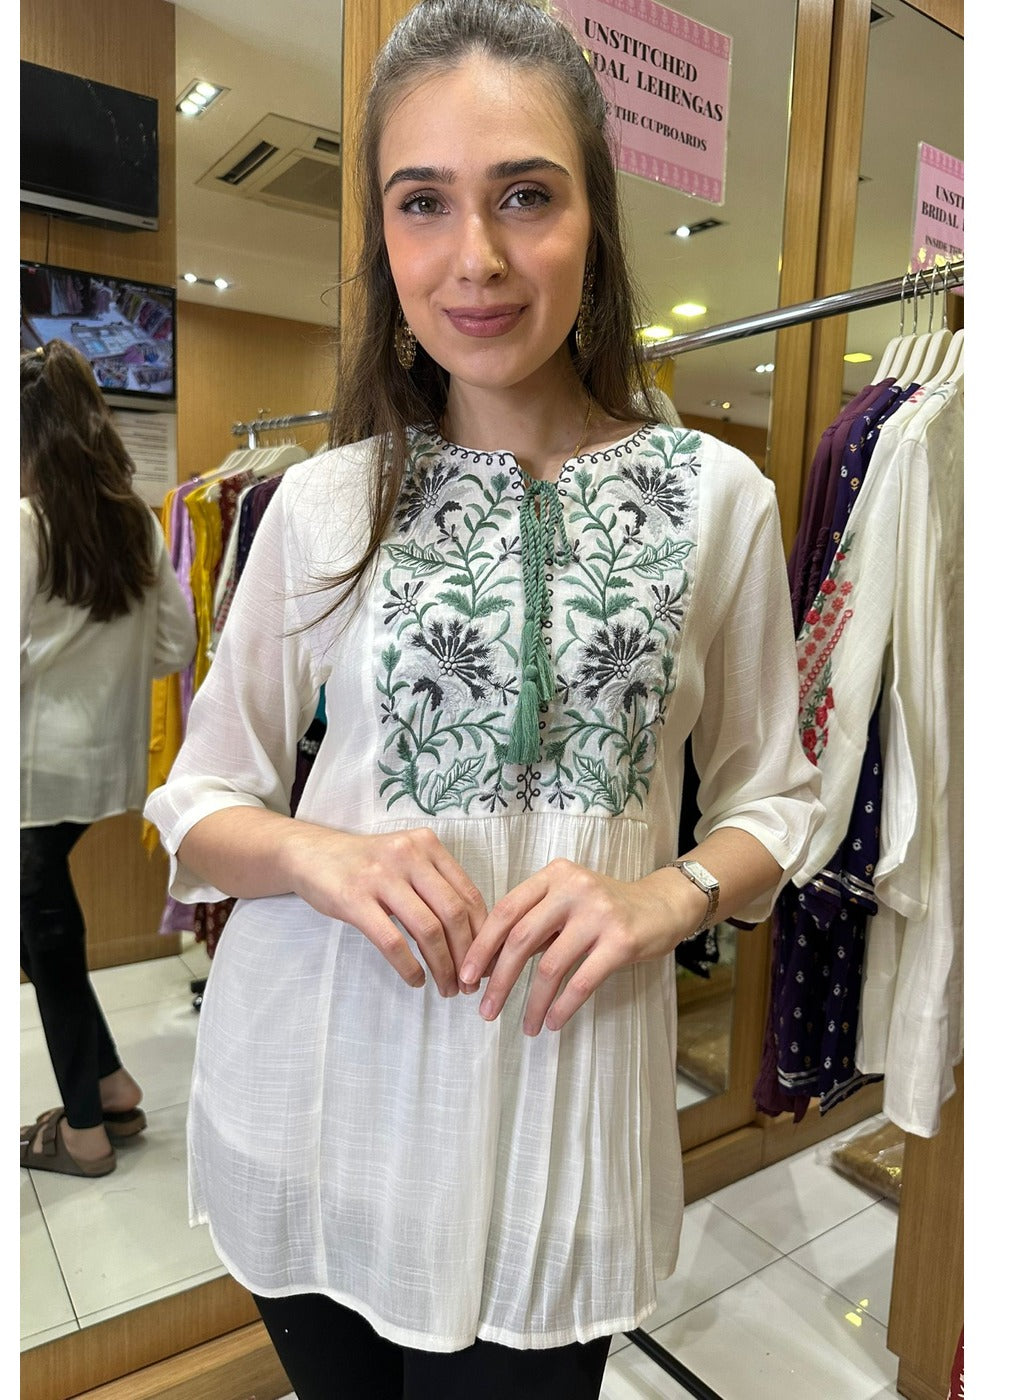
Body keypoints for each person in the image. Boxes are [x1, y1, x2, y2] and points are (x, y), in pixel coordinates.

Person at [144, 1, 824, 1394]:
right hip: (316, 1102)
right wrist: (317, 855)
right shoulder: (321, 503)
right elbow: (199, 800)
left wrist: (667, 895)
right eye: (423, 204)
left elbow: (779, 805)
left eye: (527, 194)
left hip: (556, 1138)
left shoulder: (719, 503)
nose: (479, 258)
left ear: (596, 219)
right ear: (384, 239)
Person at [21, 338, 197, 1179]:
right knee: (46, 929)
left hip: (23, 770)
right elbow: (174, 645)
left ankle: (85, 1132)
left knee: (47, 938)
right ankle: (113, 1086)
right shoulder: (137, 518)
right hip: (102, 770)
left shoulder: (22, 525)